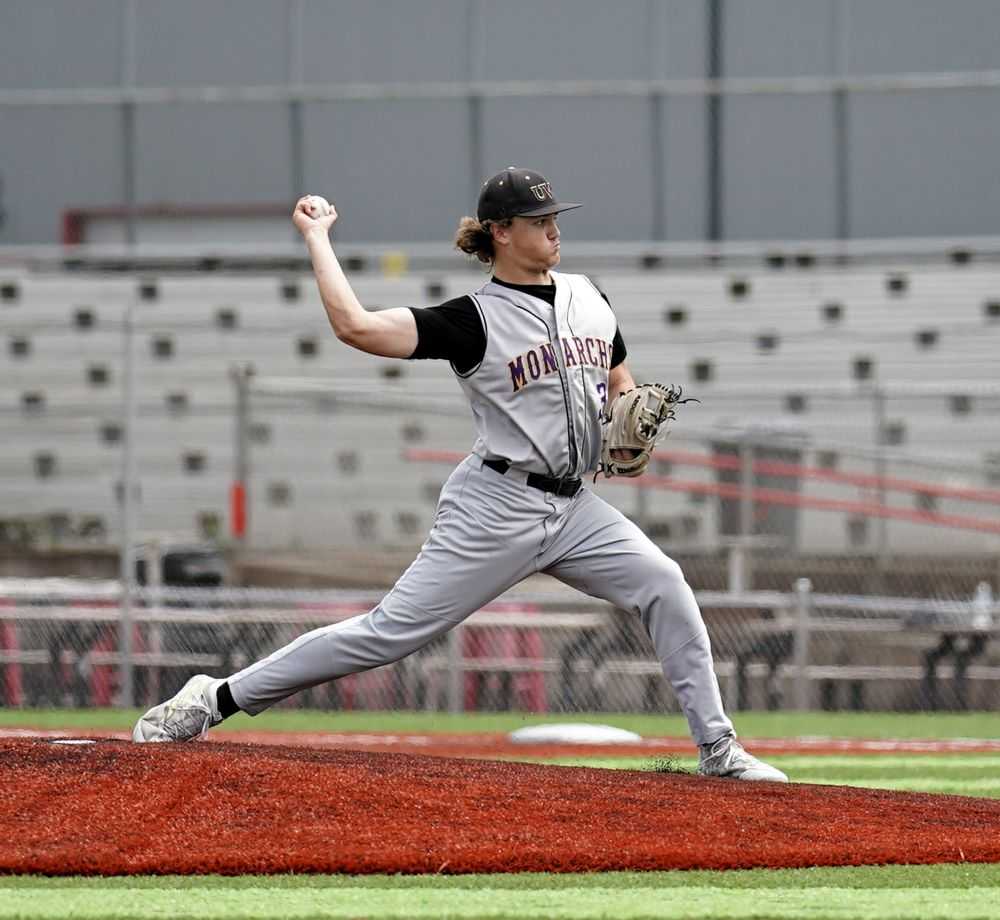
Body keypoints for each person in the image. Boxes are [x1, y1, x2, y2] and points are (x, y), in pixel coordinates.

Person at [133, 166, 787, 783]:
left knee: (665, 584)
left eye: (555, 217)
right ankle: (216, 698)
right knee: (387, 635)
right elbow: (355, 326)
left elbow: (620, 378)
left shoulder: (590, 296)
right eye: (538, 220)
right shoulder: (473, 320)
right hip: (495, 505)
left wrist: (625, 414)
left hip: (574, 510)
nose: (554, 228)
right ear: (500, 231)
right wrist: (317, 237)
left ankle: (718, 747)